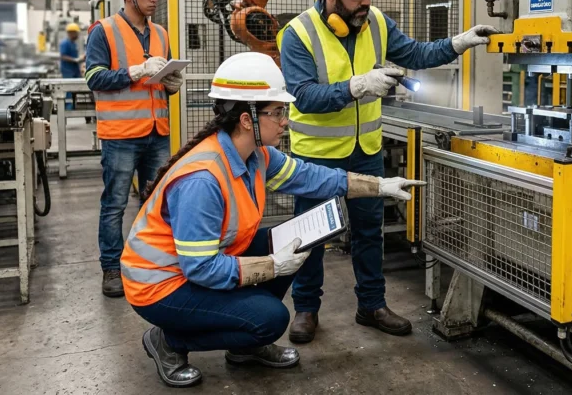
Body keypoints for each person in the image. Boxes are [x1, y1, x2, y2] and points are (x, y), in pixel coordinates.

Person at [123, 52, 422, 387]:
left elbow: (311, 178)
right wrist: (270, 265)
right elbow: (200, 268)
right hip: (160, 287)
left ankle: (243, 348)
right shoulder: (203, 180)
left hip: (192, 267)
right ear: (248, 119)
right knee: (271, 319)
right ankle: (169, 341)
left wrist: (378, 185)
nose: (286, 121)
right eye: (278, 112)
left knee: (288, 241)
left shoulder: (256, 154)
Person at [276, 0, 498, 342]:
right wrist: (358, 86)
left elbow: (415, 53)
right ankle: (306, 309)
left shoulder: (376, 21)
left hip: (365, 153)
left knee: (368, 233)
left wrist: (458, 43)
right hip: (316, 156)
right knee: (310, 235)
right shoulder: (297, 34)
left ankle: (372, 305)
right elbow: (304, 97)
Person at [86, 0, 183, 298]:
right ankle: (111, 269)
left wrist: (171, 83)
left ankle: (151, 261)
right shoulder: (104, 31)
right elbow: (94, 78)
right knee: (114, 204)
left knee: (156, 201)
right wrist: (136, 71)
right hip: (121, 137)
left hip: (157, 132)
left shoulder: (160, 33)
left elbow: (161, 77)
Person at [59, 22, 85, 111]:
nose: (77, 35)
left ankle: (73, 106)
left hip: (75, 70)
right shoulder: (65, 43)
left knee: (76, 89)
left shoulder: (73, 43)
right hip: (68, 71)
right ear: (71, 33)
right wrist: (75, 60)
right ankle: (68, 108)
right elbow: (63, 56)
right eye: (76, 33)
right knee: (69, 90)